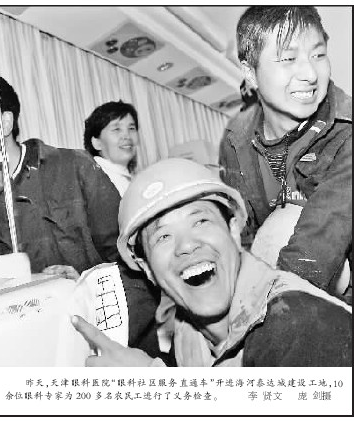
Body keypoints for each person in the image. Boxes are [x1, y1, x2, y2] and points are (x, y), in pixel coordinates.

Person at [0, 72, 158, 349]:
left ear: (4, 122)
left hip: (104, 342)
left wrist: (85, 286)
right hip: (33, 344)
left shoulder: (74, 167)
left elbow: (136, 264)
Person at [72, 158, 352, 367]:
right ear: (146, 269)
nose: (187, 245)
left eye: (201, 221)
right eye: (163, 236)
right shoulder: (188, 334)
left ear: (233, 230)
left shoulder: (300, 323)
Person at [218, 6, 352, 301]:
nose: (310, 74)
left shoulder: (348, 133)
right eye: (289, 59)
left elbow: (314, 250)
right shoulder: (235, 142)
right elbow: (240, 234)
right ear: (250, 74)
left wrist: (256, 308)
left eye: (318, 55)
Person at [83, 101, 139, 196]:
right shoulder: (95, 182)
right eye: (117, 129)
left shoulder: (126, 178)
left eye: (131, 128)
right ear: (97, 143)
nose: (127, 136)